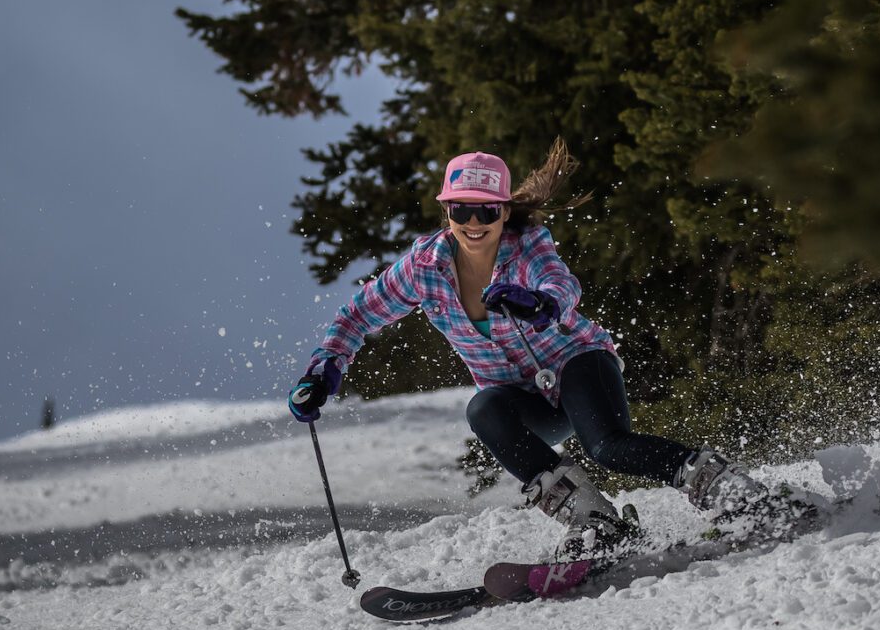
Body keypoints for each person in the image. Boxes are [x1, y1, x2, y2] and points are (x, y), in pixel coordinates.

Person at [289, 141, 781, 559]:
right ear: (447, 212)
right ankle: (595, 523)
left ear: (504, 210)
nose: (474, 221)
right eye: (462, 209)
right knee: (483, 408)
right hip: (522, 397)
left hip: (577, 363)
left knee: (607, 446)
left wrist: (541, 305)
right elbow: (358, 314)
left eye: (487, 210)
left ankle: (730, 489)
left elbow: (561, 284)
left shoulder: (527, 246)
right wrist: (324, 369)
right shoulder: (424, 266)